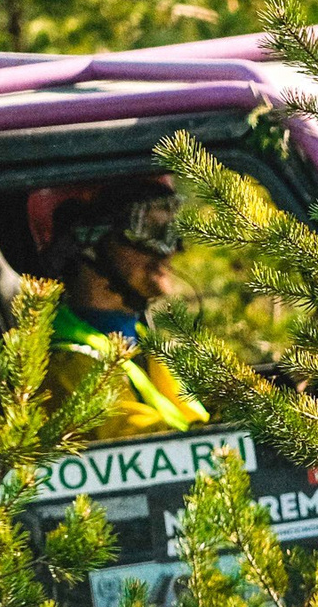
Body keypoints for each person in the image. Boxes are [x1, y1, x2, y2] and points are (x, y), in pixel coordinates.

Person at [34, 178, 208, 440]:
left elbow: (195, 422)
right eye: (149, 228)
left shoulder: (141, 340)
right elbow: (154, 452)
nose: (170, 250)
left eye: (170, 229)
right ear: (87, 239)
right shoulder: (67, 362)